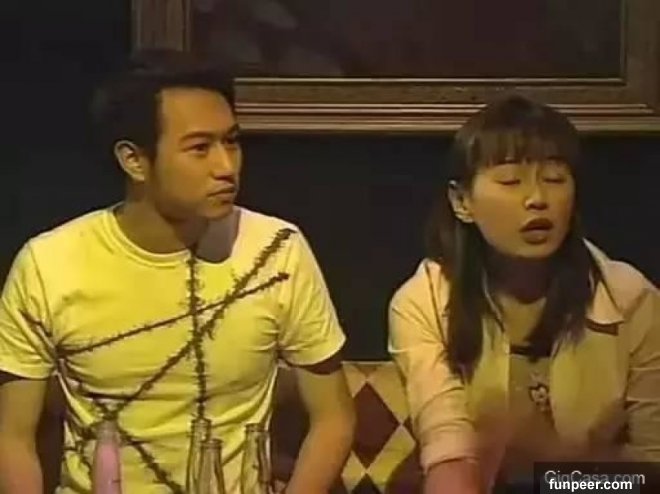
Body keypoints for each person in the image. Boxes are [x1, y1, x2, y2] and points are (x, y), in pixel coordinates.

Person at [0, 49, 355, 494]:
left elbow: (333, 418)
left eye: (232, 142)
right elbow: (13, 437)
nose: (226, 167)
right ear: (134, 160)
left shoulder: (277, 251)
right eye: (200, 148)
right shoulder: (49, 264)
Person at [388, 95, 660, 493]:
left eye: (555, 179)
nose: (537, 199)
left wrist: (554, 477)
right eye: (510, 181)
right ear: (462, 202)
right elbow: (447, 445)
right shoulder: (424, 301)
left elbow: (650, 470)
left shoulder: (631, 299)